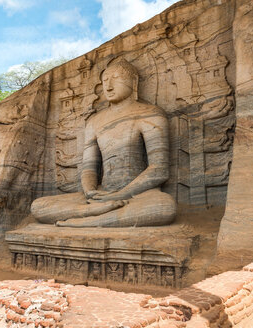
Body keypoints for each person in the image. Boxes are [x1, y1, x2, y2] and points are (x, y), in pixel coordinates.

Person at [31, 59, 176, 227]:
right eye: (105, 80)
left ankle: (88, 221)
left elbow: (159, 170)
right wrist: (90, 192)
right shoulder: (94, 121)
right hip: (102, 195)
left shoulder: (150, 114)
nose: (109, 85)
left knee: (165, 207)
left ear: (134, 82)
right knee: (38, 206)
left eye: (116, 78)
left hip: (138, 195)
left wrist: (120, 194)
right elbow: (89, 169)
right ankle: (92, 213)